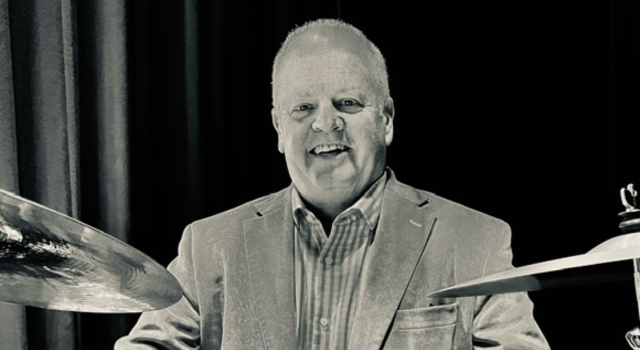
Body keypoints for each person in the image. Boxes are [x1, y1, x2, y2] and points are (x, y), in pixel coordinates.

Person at [115, 18, 550, 350]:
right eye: (303, 108)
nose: (326, 123)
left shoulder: (476, 241)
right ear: (279, 130)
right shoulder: (208, 245)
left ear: (387, 120)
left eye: (348, 103)